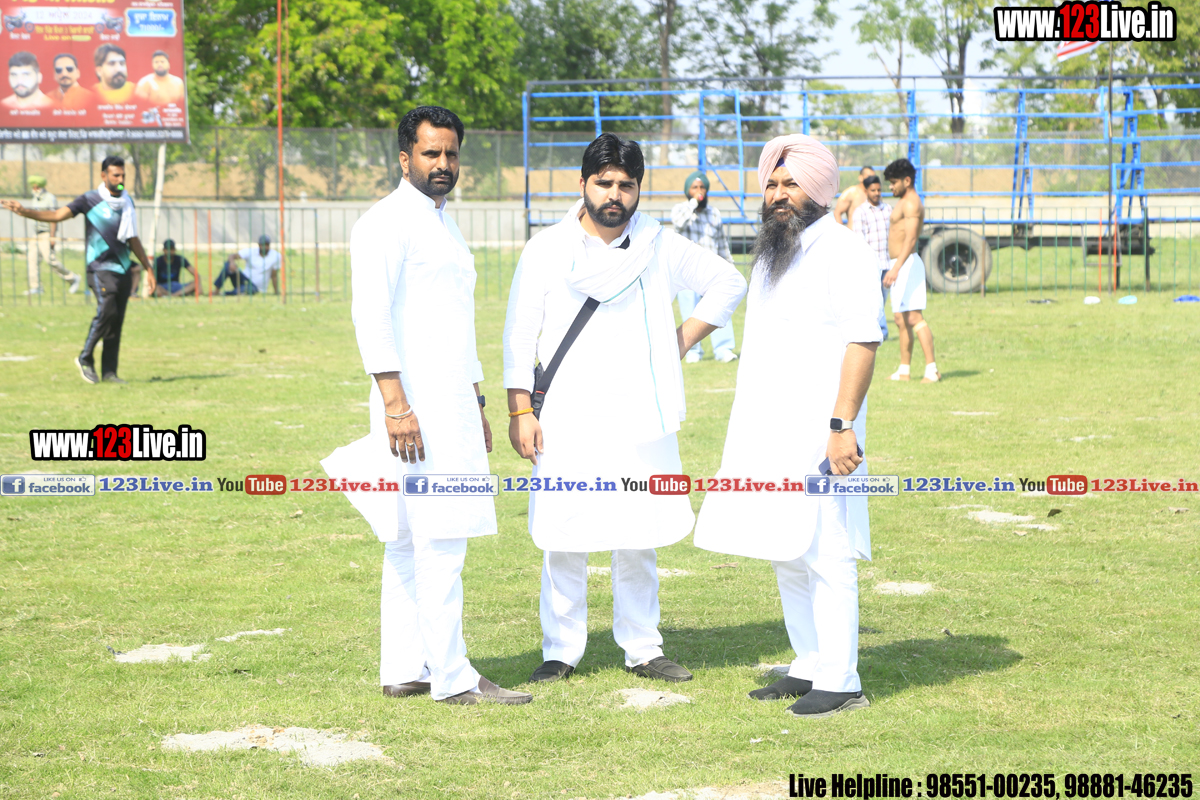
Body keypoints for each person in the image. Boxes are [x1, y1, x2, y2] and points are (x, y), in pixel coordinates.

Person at [503, 133, 746, 685]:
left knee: (639, 531)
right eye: (604, 183)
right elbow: (519, 333)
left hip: (640, 412)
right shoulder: (546, 249)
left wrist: (677, 341)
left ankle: (643, 647)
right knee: (564, 533)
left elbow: (728, 282)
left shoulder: (658, 244)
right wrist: (520, 411)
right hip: (566, 413)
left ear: (639, 189)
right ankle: (561, 650)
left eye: (627, 185)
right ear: (583, 184)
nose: (615, 195)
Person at [320, 106, 531, 707]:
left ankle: (404, 668)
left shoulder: (443, 224)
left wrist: (476, 401)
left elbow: (454, 323)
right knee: (440, 539)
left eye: (451, 154)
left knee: (410, 539)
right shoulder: (385, 222)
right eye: (431, 153)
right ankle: (453, 677)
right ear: (404, 157)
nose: (443, 164)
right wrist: (394, 403)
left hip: (450, 403)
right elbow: (371, 317)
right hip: (413, 408)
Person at [693, 133, 883, 718]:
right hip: (767, 430)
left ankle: (842, 679)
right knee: (787, 548)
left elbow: (863, 341)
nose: (778, 194)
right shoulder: (774, 254)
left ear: (820, 189)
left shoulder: (843, 251)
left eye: (791, 184)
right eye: (772, 184)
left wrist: (842, 424)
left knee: (826, 550)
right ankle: (809, 663)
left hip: (821, 432)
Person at [2, 155, 156, 384]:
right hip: (99, 267)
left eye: (123, 175)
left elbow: (133, 238)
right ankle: (85, 357)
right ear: (103, 176)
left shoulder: (127, 202)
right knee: (107, 309)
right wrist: (25, 211)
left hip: (122, 267)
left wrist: (148, 268)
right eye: (116, 175)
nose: (121, 179)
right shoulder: (89, 199)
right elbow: (57, 215)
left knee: (116, 320)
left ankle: (109, 373)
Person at [670, 170, 739, 363]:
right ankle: (693, 352)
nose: (699, 191)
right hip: (687, 271)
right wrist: (694, 202)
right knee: (690, 312)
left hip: (712, 272)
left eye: (702, 187)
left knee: (719, 308)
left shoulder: (713, 213)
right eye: (695, 187)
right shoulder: (681, 210)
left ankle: (723, 349)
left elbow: (722, 242)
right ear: (688, 191)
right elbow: (678, 223)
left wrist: (729, 266)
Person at [882, 158, 939, 383]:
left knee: (914, 317)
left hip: (907, 265)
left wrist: (896, 268)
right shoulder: (902, 202)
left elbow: (911, 238)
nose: (890, 187)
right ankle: (904, 370)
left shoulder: (912, 203)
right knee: (900, 318)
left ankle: (932, 370)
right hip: (898, 264)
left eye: (894, 182)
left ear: (907, 180)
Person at [23, 176, 82, 296]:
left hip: (46, 233)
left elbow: (54, 217)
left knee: (50, 259)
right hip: (36, 233)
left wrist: (52, 236)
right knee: (32, 259)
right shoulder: (35, 198)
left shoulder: (50, 198)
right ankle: (36, 287)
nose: (35, 188)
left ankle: (72, 278)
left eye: (37, 186)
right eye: (33, 186)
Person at [851, 175, 890, 341]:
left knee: (883, 299)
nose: (876, 193)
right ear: (866, 191)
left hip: (887, 262)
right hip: (871, 265)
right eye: (873, 190)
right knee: (874, 299)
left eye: (879, 190)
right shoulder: (860, 212)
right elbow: (859, 240)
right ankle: (881, 331)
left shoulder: (888, 209)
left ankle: (880, 330)